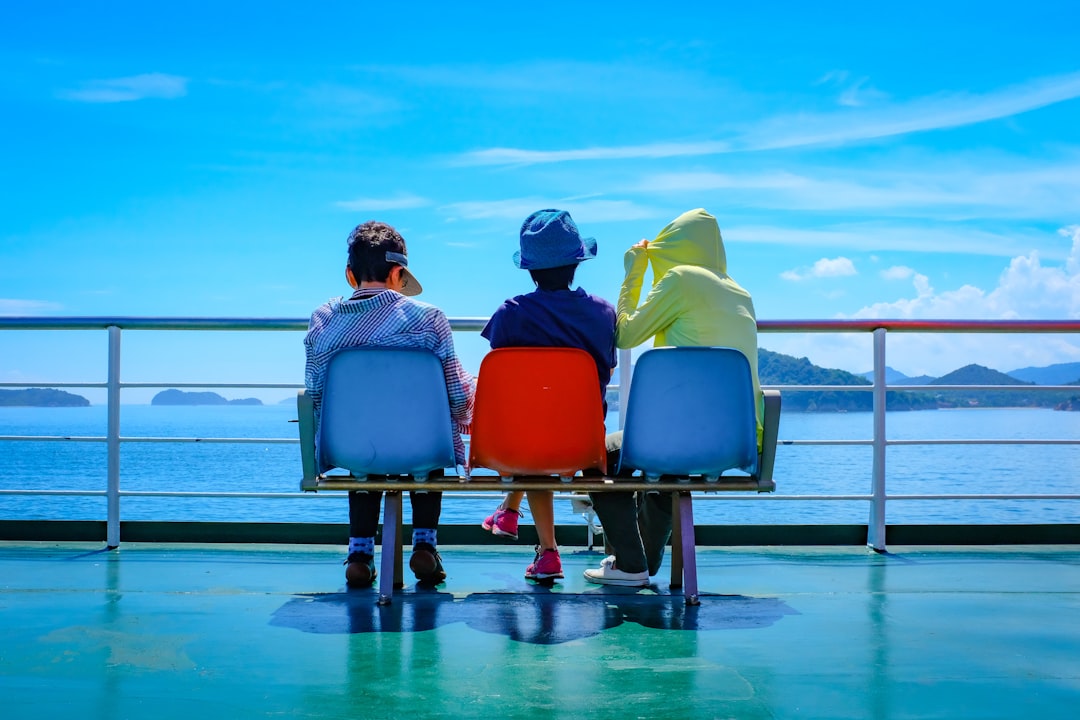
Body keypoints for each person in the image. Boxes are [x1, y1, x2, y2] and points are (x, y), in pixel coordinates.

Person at [583, 208, 763, 587]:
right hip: (735, 443)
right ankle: (637, 564)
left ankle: (631, 565)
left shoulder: (680, 279)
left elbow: (626, 335)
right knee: (666, 468)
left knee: (597, 457)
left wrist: (634, 271)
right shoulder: (741, 292)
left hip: (678, 438)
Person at [304, 221, 475, 589]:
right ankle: (426, 546)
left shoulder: (324, 319)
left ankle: (360, 554)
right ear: (399, 273)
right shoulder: (429, 319)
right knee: (430, 453)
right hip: (421, 447)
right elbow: (458, 396)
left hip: (354, 447)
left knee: (362, 458)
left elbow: (315, 392)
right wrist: (462, 416)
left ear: (351, 275)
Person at [479, 209, 616, 581]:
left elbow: (505, 381)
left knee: (533, 425)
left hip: (521, 444)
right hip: (585, 442)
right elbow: (609, 370)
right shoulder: (603, 313)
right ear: (577, 264)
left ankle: (542, 544)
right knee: (545, 424)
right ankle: (517, 521)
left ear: (529, 269)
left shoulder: (509, 315)